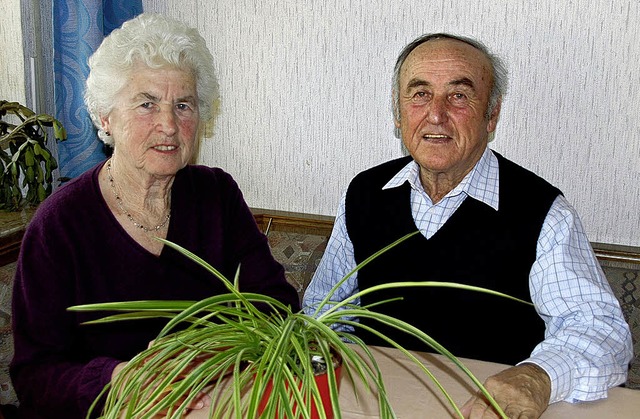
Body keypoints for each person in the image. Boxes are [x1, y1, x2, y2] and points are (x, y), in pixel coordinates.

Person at [303, 33, 632, 418]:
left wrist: (537, 377)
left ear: (491, 115)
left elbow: (602, 329)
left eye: (459, 96)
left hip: (487, 409)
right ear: (398, 112)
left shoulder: (541, 210)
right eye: (420, 94)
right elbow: (324, 312)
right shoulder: (364, 193)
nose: (436, 114)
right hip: (375, 402)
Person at [10, 13, 300, 419]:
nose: (168, 125)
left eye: (183, 105)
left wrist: (204, 357)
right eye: (147, 104)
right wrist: (118, 380)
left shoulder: (216, 195)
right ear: (105, 118)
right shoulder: (59, 225)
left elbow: (276, 305)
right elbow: (34, 376)